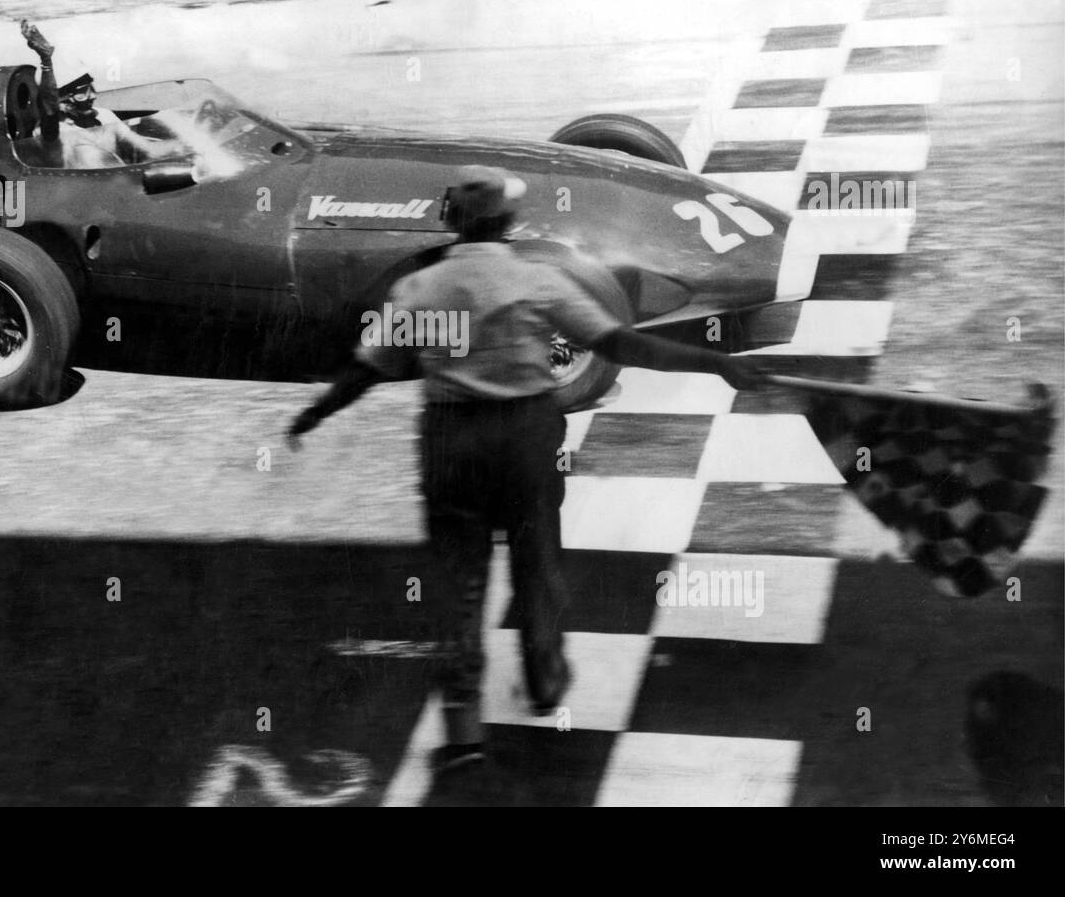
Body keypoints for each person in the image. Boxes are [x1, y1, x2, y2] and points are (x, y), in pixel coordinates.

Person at [287, 165, 767, 777]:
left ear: (450, 219)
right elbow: (621, 344)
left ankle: (463, 733)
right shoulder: (535, 282)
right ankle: (545, 678)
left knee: (458, 582)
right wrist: (713, 363)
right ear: (510, 221)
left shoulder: (419, 292)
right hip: (525, 436)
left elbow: (370, 369)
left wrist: (312, 415)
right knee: (535, 556)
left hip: (450, 440)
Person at [20, 20, 179, 169]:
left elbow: (149, 150)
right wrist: (46, 62)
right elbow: (49, 109)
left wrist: (190, 143)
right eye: (82, 92)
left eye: (91, 88)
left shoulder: (103, 116)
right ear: (62, 100)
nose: (92, 97)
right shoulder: (54, 133)